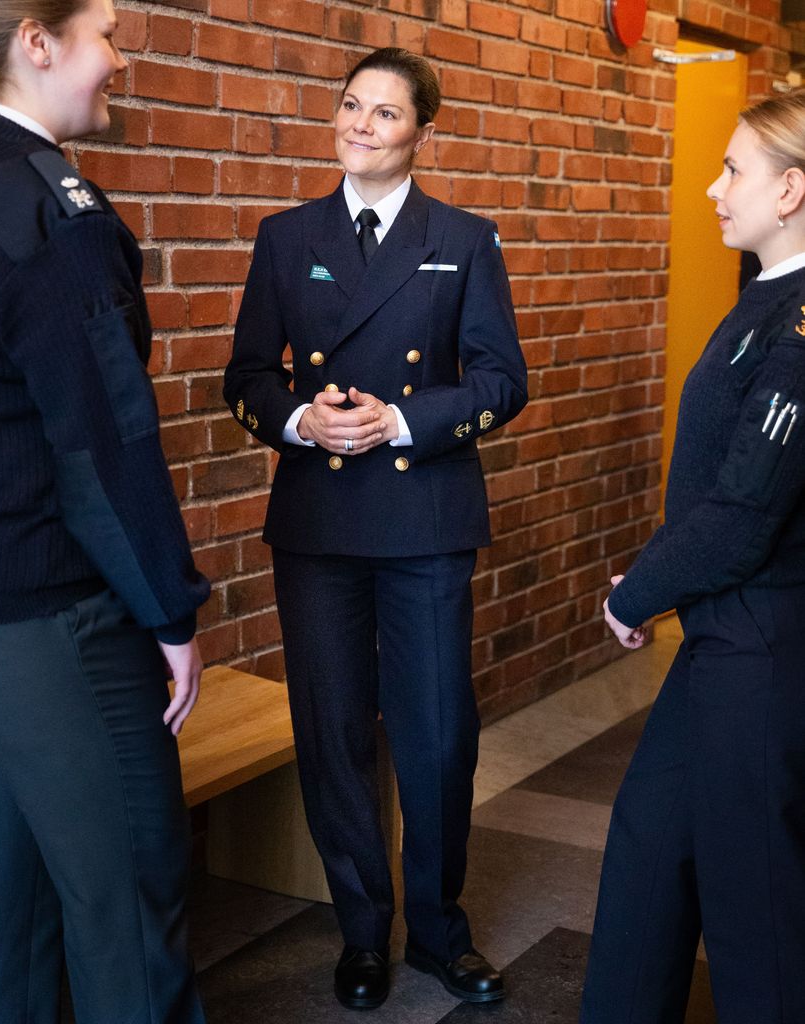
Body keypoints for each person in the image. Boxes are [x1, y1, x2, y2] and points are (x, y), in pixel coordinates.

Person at [224, 47, 527, 1010]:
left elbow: (500, 380)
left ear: (422, 134)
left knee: (438, 734)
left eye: (384, 114)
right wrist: (299, 419)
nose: (359, 125)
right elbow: (246, 377)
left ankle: (439, 931)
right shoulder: (285, 236)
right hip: (318, 521)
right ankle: (362, 932)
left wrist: (401, 421)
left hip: (424, 515)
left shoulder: (464, 239)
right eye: (350, 106)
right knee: (334, 731)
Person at [0, 0, 210, 1020]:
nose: (120, 60)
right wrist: (170, 614)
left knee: (11, 914)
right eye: (106, 36)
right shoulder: (46, 216)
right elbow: (104, 450)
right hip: (61, 614)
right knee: (128, 898)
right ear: (35, 41)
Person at [581, 89, 805, 1023]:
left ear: (790, 189)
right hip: (717, 638)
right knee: (647, 853)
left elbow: (745, 511)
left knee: (755, 919)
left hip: (759, 652)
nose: (712, 188)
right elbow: (715, 486)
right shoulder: (763, 298)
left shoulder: (798, 327)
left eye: (732, 171)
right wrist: (655, 575)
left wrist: (640, 592)